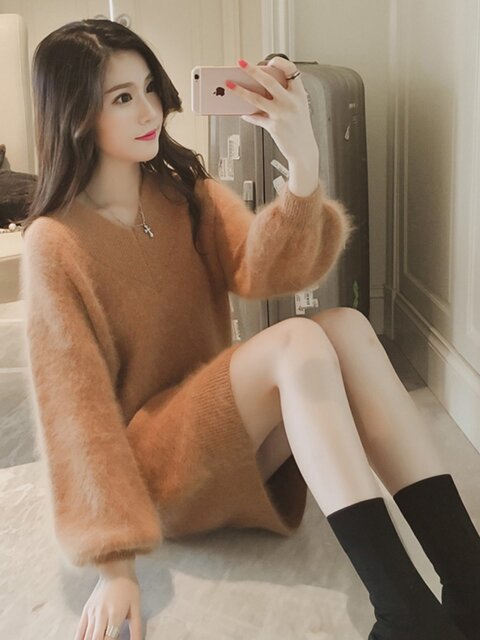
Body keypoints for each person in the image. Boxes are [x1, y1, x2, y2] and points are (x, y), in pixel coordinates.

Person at [20, 17, 479, 640]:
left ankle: (470, 577)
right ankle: (407, 613)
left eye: (149, 87)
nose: (149, 110)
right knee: (297, 341)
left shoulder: (180, 192)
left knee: (344, 325)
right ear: (74, 115)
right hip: (157, 472)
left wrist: (304, 163)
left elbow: (268, 269)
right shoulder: (56, 242)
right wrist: (115, 566)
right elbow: (75, 413)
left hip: (228, 437)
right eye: (121, 98)